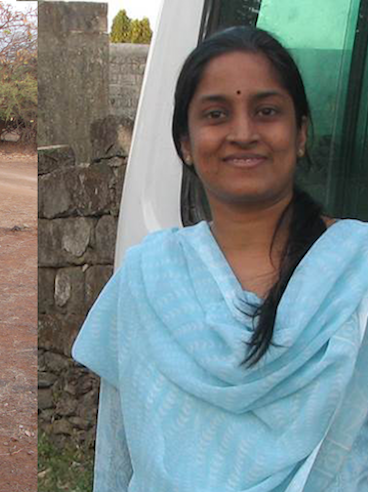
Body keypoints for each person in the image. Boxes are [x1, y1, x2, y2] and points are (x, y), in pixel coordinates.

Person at [72, 26, 368, 492]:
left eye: (267, 111)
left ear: (302, 133)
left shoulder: (358, 273)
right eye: (216, 114)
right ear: (185, 144)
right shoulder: (149, 279)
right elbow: (118, 448)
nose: (243, 133)